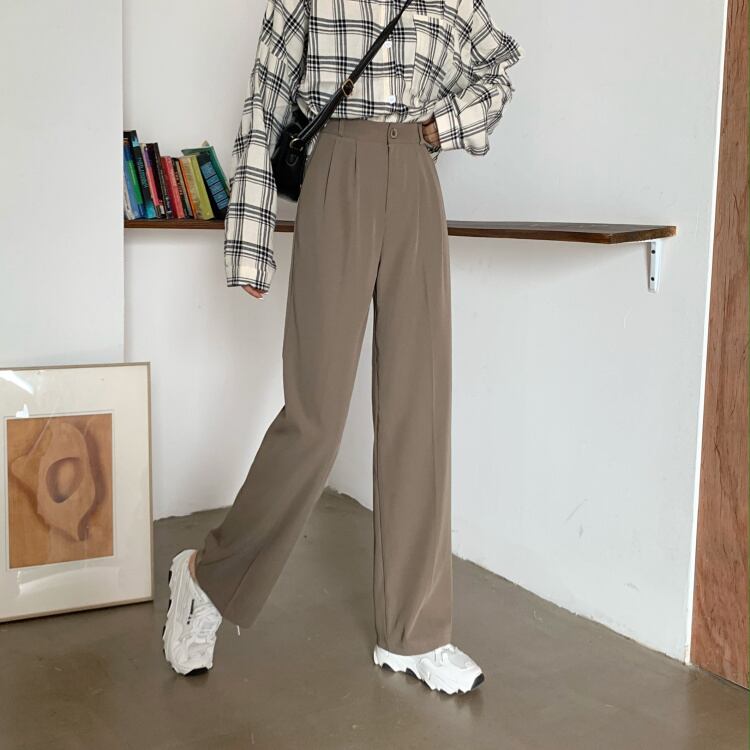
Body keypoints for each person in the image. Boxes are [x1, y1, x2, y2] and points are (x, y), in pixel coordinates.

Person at [162, 0, 524, 695]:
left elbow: (498, 68)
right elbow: (265, 100)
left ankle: (415, 632)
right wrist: (251, 240)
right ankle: (206, 578)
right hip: (337, 170)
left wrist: (442, 126)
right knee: (316, 419)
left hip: (415, 176)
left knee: (420, 411)